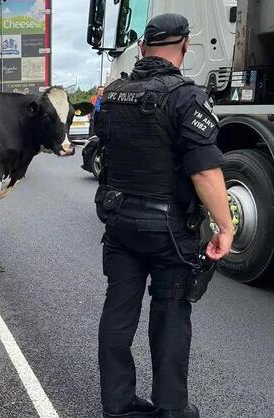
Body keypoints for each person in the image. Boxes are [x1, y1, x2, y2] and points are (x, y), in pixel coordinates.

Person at [94, 13, 234, 418]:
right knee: (170, 315)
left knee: (118, 312)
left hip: (118, 223)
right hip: (169, 231)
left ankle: (118, 406)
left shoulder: (114, 93)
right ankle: (171, 409)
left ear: (141, 48)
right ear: (185, 46)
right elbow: (205, 171)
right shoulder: (187, 97)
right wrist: (225, 226)